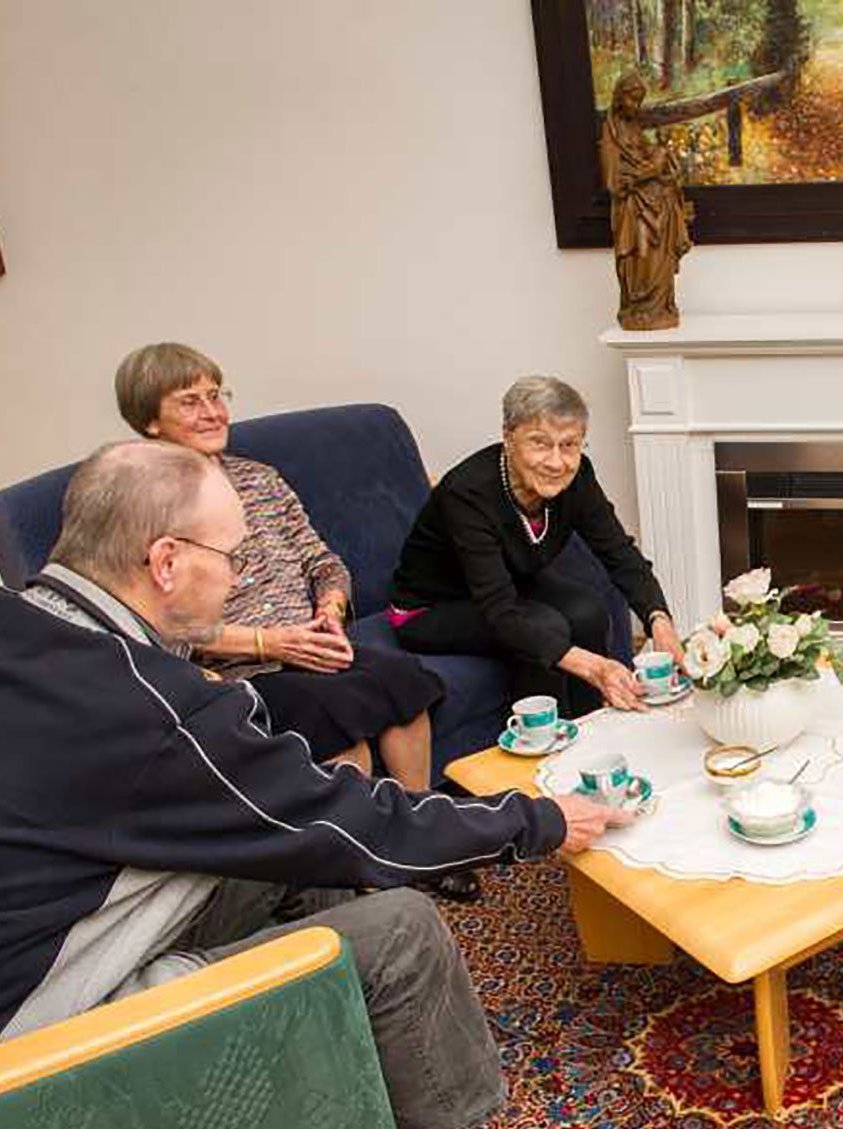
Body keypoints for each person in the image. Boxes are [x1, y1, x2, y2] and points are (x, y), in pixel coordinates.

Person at [0, 439, 633, 1129]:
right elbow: (356, 818)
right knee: (400, 927)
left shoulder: (28, 624)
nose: (239, 580)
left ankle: (342, 1074)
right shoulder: (143, 705)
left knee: (307, 859)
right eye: (230, 557)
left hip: (58, 924)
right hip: (47, 1033)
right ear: (164, 561)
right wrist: (540, 819)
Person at [115, 342, 443, 791]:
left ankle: (422, 823)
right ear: (148, 420)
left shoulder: (259, 479)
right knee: (333, 714)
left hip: (310, 648)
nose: (212, 412)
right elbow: (156, 627)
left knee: (403, 683)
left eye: (216, 396)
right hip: (233, 674)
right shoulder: (139, 508)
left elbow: (322, 562)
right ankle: (356, 850)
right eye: (190, 402)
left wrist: (329, 609)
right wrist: (271, 644)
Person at [391, 375, 686, 715]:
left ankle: (592, 726)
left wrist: (659, 621)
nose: (556, 462)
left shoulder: (577, 479)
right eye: (541, 443)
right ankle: (545, 748)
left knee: (587, 610)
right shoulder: (468, 493)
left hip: (507, 583)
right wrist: (596, 668)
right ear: (508, 437)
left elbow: (618, 552)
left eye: (569, 445)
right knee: (543, 628)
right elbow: (500, 610)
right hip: (431, 608)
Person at [600, 68, 694, 330]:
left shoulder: (633, 126)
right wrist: (647, 172)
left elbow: (646, 151)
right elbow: (614, 181)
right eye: (633, 100)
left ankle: (660, 306)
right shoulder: (611, 131)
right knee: (640, 255)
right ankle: (640, 306)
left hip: (655, 202)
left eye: (639, 101)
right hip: (633, 208)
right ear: (619, 97)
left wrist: (661, 163)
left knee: (659, 255)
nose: (636, 106)